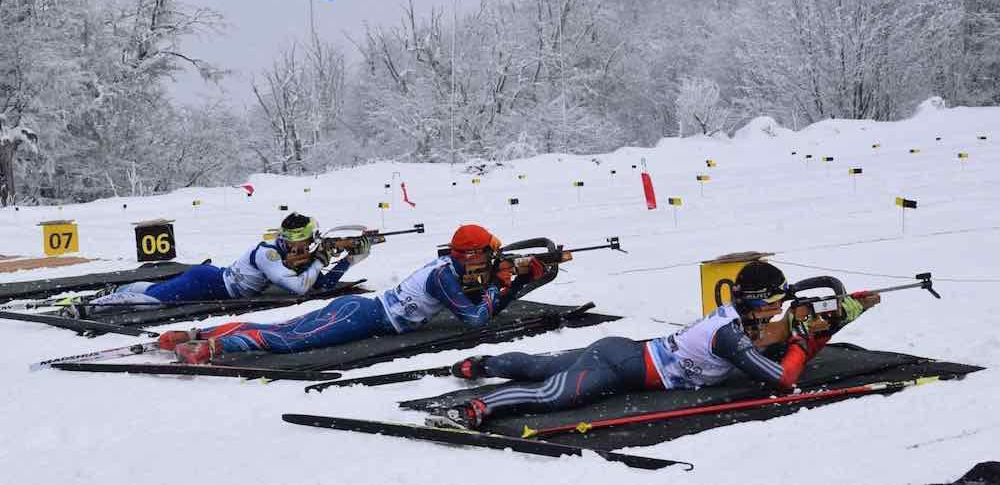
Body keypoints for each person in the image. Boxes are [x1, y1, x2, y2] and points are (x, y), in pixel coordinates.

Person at [434, 260, 881, 430]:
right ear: (761, 302)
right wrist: (807, 336)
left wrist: (835, 318)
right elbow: (784, 379)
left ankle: (482, 363)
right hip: (620, 365)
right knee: (554, 393)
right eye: (779, 302)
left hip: (626, 353)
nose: (784, 309)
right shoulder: (729, 334)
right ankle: (478, 408)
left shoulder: (742, 321)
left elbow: (781, 341)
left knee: (538, 365)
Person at [159, 223, 552, 363]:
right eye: (487, 255)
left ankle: (197, 335)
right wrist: (511, 283)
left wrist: (513, 279)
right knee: (288, 341)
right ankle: (213, 348)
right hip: (364, 316)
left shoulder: (452, 269)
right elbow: (474, 319)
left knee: (286, 330)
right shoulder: (444, 278)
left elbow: (477, 298)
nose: (491, 260)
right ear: (473, 255)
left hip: (362, 311)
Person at [62, 213, 368, 319]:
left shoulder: (287, 253)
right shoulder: (269, 255)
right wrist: (322, 258)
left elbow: (318, 285)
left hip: (212, 279)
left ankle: (118, 289)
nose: (309, 247)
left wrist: (349, 260)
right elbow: (300, 287)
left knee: (156, 289)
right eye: (307, 243)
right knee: (152, 302)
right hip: (208, 284)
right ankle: (91, 307)